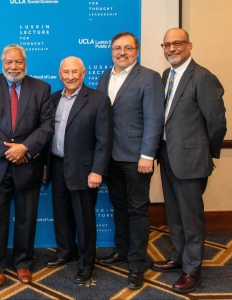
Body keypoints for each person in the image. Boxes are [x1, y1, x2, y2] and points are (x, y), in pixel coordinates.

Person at [151, 28, 227, 294]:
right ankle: (179, 256)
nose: (172, 48)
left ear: (189, 45)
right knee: (174, 213)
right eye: (167, 44)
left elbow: (217, 123)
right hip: (168, 157)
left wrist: (207, 152)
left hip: (192, 160)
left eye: (177, 43)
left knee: (191, 217)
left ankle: (192, 270)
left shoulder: (204, 77)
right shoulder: (165, 76)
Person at [0, 44, 54, 287]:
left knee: (26, 218)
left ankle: (22, 263)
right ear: (2, 63)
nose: (14, 66)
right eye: (9, 62)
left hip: (28, 164)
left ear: (25, 63)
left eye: (18, 62)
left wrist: (25, 148)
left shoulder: (41, 88)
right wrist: (8, 149)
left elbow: (47, 125)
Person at [97, 32, 165, 289]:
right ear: (111, 50)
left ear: (137, 51)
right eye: (117, 48)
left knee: (137, 209)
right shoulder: (105, 77)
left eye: (127, 48)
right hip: (111, 157)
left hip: (137, 158)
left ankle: (137, 263)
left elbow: (154, 119)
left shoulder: (149, 77)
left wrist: (147, 155)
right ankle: (122, 250)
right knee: (119, 204)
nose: (122, 52)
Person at [43, 56, 113, 284]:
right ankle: (66, 252)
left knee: (84, 219)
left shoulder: (98, 100)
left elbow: (104, 140)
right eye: (66, 72)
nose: (71, 76)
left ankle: (87, 263)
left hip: (84, 170)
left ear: (83, 73)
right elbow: (46, 135)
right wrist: (45, 166)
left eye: (75, 72)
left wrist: (97, 170)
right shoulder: (52, 99)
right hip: (56, 165)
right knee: (61, 214)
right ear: (59, 74)